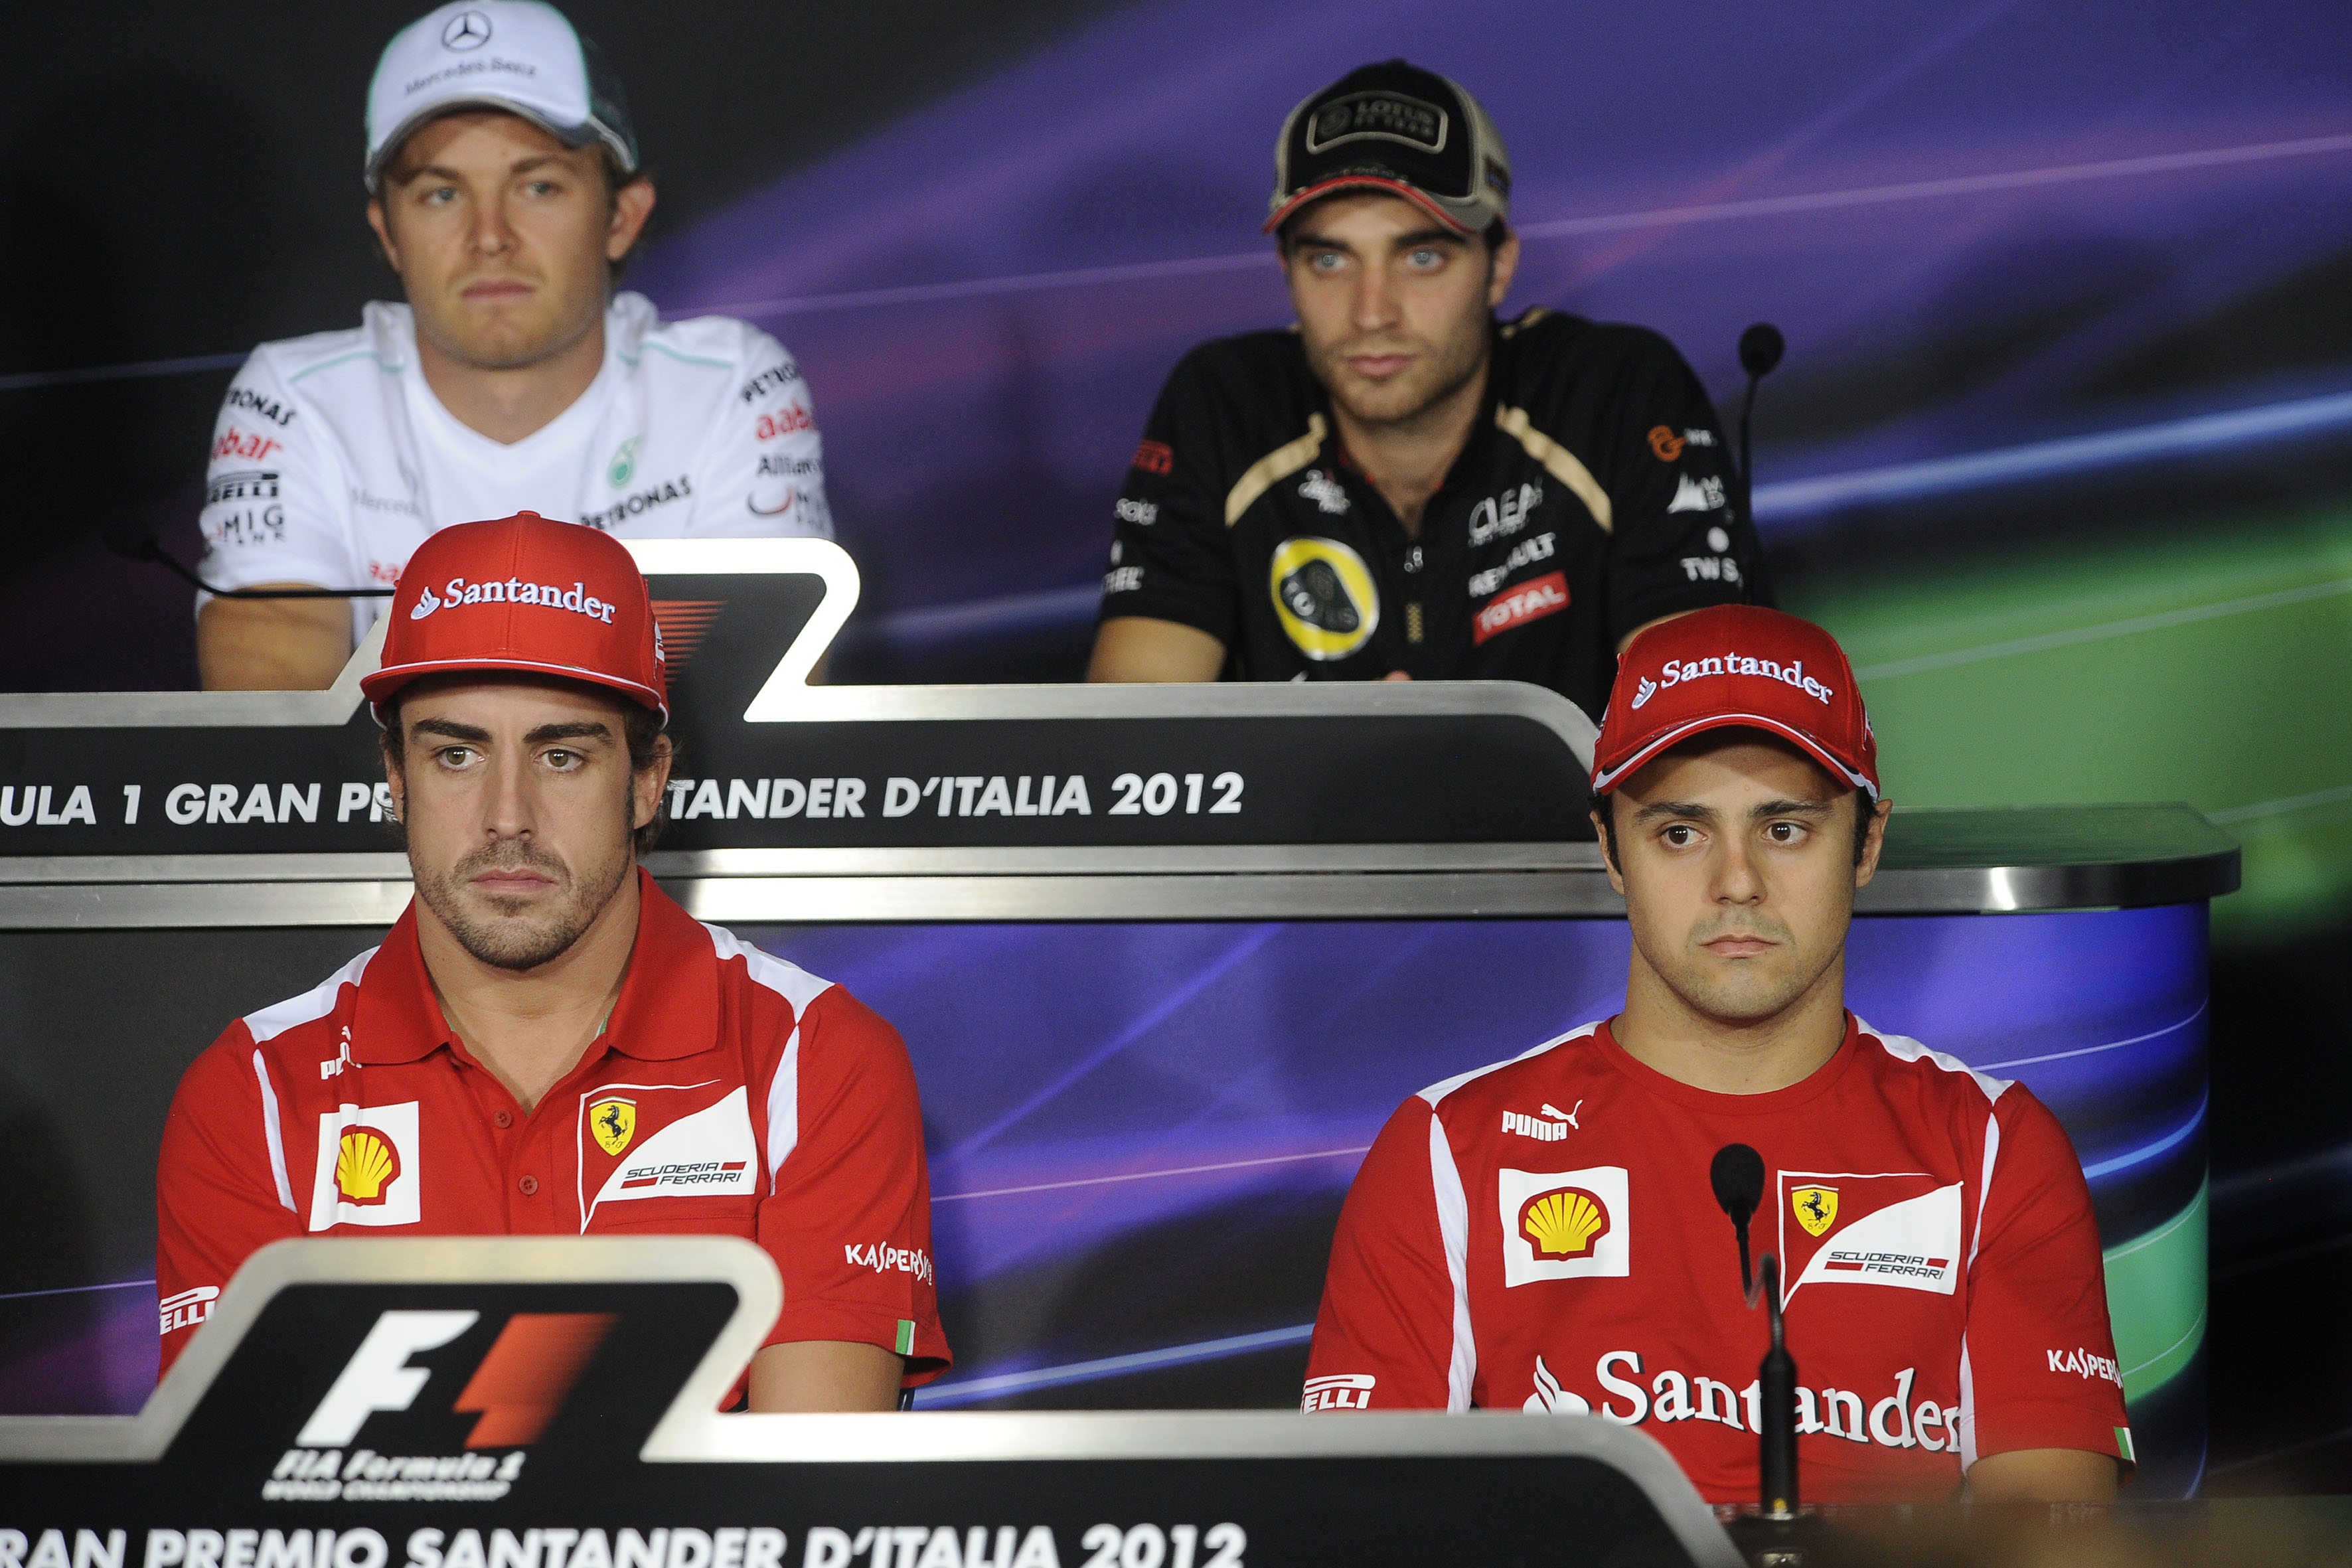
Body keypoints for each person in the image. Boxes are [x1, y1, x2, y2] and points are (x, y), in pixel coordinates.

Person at [1302, 605, 2129, 1504]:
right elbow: (1358, 1524)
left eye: (1784, 829)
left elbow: (2049, 1538)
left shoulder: (1994, 1146)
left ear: (1867, 842)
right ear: (1609, 847)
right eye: (1680, 833)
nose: (1736, 882)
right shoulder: (1447, 1151)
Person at [156, 514, 945, 1409]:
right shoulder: (255, 1092)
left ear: (648, 781)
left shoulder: (816, 1057)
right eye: (457, 754)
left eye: (561, 756)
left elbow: (809, 1484)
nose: (507, 815)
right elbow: (242, 1482)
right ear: (396, 778)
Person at [1087, 60, 1765, 720]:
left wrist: (1441, 768)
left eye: (1421, 257)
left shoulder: (1613, 392)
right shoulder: (1225, 405)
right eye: (1329, 259)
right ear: (1286, 271)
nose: (1371, 313)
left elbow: (1701, 723)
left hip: (1576, 808)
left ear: (1499, 265)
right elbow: (1129, 738)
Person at [197, 0, 832, 692]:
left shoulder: (731, 386)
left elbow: (755, 717)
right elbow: (277, 730)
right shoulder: (295, 401)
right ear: (388, 233)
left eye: (537, 186)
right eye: (441, 194)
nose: (490, 237)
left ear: (621, 217)